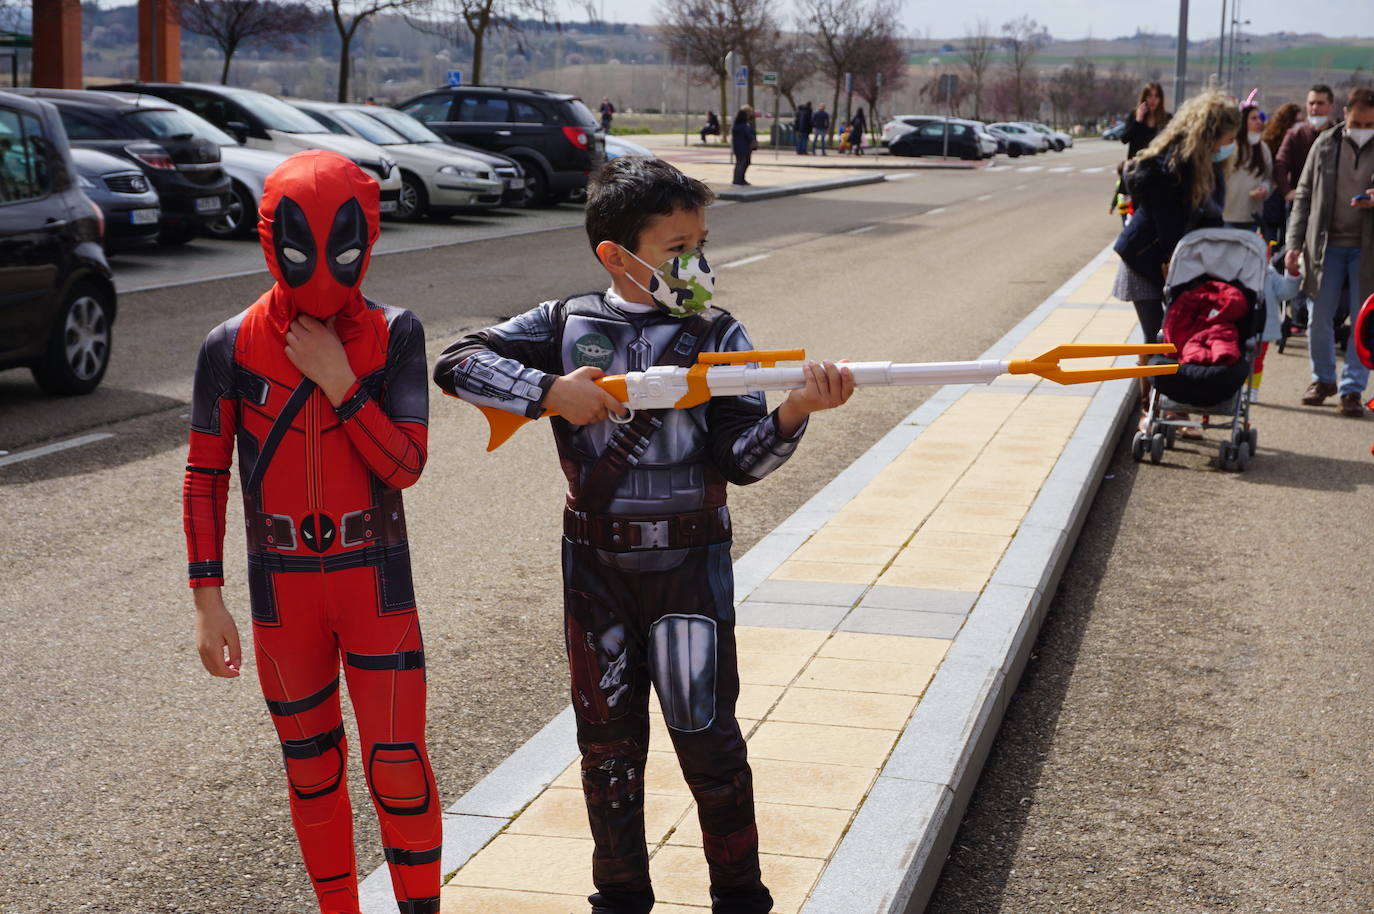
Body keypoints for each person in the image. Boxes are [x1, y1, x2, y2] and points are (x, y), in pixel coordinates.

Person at [433, 156, 853, 914]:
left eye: (701, 240)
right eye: (676, 245)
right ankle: (619, 897)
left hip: (691, 565)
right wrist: (547, 392)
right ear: (615, 254)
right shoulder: (562, 326)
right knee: (607, 752)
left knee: (710, 746)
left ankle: (740, 898)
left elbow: (741, 460)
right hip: (595, 570)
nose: (696, 259)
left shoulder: (720, 332)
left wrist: (795, 413)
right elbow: (455, 361)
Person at [184, 151, 441, 914]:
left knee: (397, 763)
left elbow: (406, 465)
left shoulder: (396, 334)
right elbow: (205, 475)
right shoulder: (228, 346)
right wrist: (208, 598)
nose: (324, 269)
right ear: (271, 238)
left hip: (375, 578)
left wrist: (339, 382)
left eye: (343, 246)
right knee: (311, 769)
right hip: (282, 592)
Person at [1113, 91, 1240, 427]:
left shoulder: (1211, 164)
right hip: (1146, 258)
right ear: (1209, 134)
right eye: (1228, 136)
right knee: (1156, 333)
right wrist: (1174, 258)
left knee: (1179, 333)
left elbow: (1211, 217)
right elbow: (1167, 221)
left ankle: (1175, 405)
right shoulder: (1170, 165)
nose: (1231, 143)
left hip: (1179, 260)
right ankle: (1150, 410)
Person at [1285, 85, 1374, 417]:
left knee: (1362, 321)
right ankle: (1323, 379)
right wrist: (1294, 245)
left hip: (1367, 250)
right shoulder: (1325, 145)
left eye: (1369, 125)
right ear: (1345, 115)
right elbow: (1303, 196)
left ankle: (1352, 389)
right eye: (1357, 123)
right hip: (1325, 246)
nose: (1362, 131)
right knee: (1318, 315)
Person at [1111, 82, 1171, 216]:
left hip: (1158, 173)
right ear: (1144, 97)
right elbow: (1124, 138)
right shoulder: (1135, 116)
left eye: (1156, 96)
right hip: (1137, 172)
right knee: (1136, 212)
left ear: (1161, 99)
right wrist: (1138, 120)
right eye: (1149, 96)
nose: (1153, 100)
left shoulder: (1167, 119)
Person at [1222, 102, 1272, 231]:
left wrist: (1264, 189)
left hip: (1252, 216)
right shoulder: (1229, 146)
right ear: (1243, 122)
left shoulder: (1263, 149)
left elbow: (1269, 177)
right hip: (1227, 215)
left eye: (1260, 118)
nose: (1259, 122)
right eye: (1253, 118)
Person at [1259, 102, 1302, 244]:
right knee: (1270, 235)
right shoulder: (1270, 142)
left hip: (1289, 193)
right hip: (1273, 193)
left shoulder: (1299, 140)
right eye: (1297, 121)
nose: (1300, 125)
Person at [731, 105, 755, 186]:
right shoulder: (743, 125)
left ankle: (740, 179)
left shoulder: (739, 124)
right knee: (741, 163)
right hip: (742, 148)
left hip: (742, 147)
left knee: (745, 163)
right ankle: (738, 180)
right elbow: (748, 135)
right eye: (749, 113)